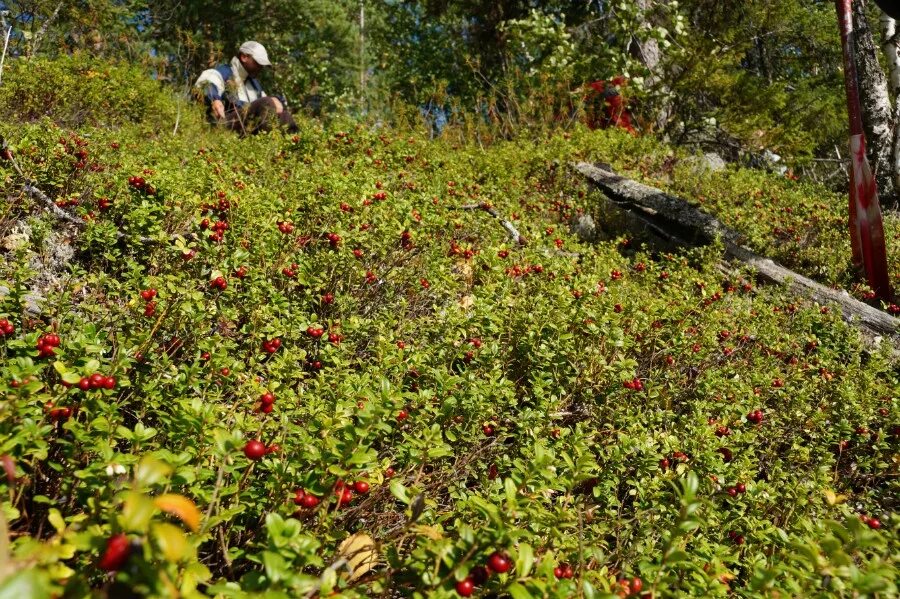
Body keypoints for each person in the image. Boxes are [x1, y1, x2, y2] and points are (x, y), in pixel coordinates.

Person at [195, 41, 298, 134]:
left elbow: (268, 107)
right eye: (257, 63)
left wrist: (276, 100)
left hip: (248, 129)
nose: (260, 67)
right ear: (244, 57)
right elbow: (205, 84)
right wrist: (215, 100)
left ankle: (293, 148)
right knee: (265, 102)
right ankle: (268, 143)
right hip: (222, 128)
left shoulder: (255, 85)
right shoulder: (222, 72)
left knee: (285, 116)